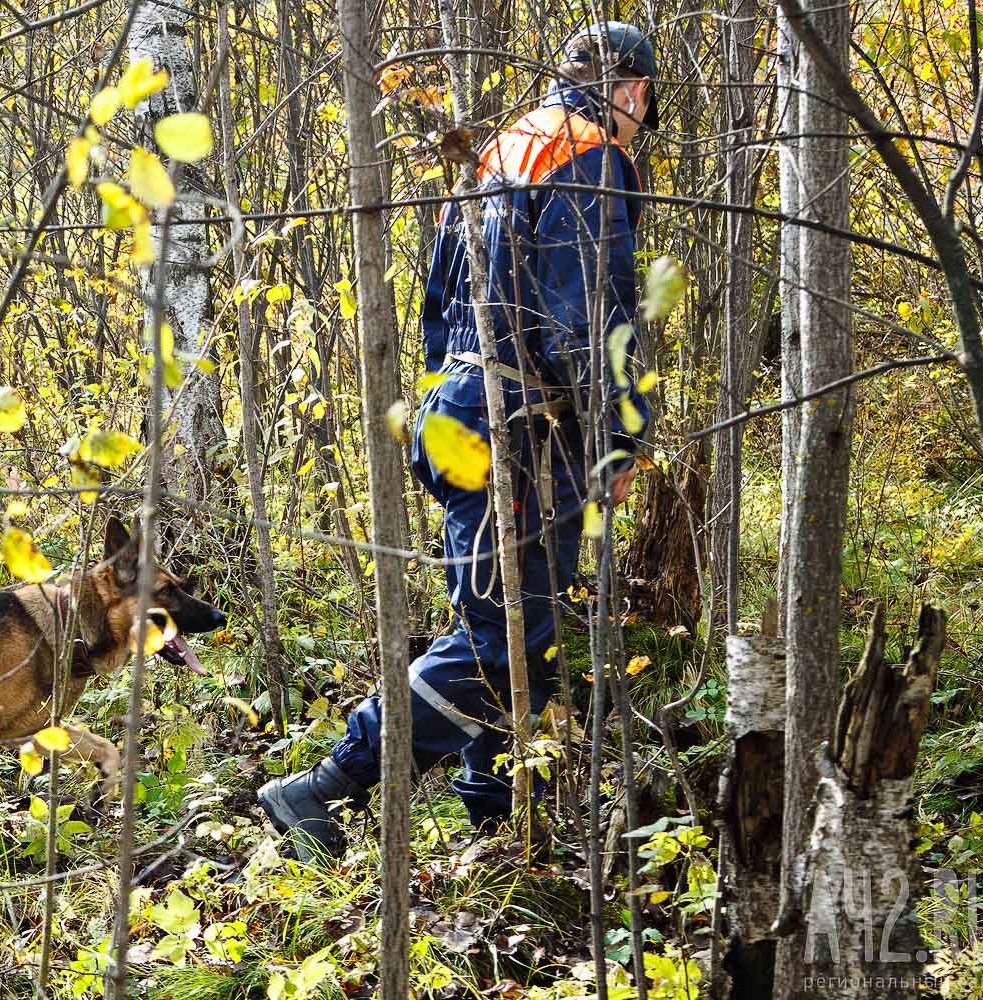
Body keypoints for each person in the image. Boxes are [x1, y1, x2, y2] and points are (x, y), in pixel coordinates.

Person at [257, 22, 661, 860]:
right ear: (630, 91)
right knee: (498, 634)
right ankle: (325, 787)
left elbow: (439, 311)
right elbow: (588, 317)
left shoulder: (498, 152)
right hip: (517, 425)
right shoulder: (589, 155)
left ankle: (502, 818)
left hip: (460, 408)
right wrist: (619, 436)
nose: (641, 119)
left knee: (515, 623)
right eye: (644, 103)